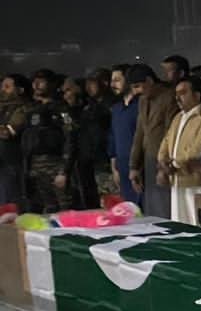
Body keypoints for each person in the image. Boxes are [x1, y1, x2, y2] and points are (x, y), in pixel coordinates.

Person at [156, 76, 201, 225]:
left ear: (197, 95)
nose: (178, 97)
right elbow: (166, 141)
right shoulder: (178, 116)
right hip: (177, 179)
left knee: (199, 224)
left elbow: (199, 148)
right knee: (179, 222)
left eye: (183, 93)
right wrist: (162, 162)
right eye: (176, 94)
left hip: (197, 180)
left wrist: (172, 164)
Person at [128, 64, 180, 217]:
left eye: (138, 86)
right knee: (152, 210)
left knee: (167, 209)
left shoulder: (170, 97)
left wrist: (164, 165)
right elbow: (139, 133)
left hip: (166, 161)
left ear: (150, 80)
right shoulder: (143, 101)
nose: (136, 92)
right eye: (133, 87)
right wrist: (134, 166)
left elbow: (172, 134)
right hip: (148, 161)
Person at [21, 70, 75, 214]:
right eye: (34, 81)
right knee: (47, 208)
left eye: (41, 81)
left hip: (55, 164)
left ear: (51, 84)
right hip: (35, 165)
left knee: (65, 207)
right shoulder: (32, 109)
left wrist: (64, 170)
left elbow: (70, 137)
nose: (36, 85)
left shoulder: (61, 108)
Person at [63, 77, 112, 208]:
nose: (66, 95)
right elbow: (72, 139)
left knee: (107, 202)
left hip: (101, 163)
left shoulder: (101, 108)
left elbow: (102, 136)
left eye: (69, 90)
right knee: (88, 201)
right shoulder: (74, 111)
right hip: (83, 163)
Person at [105, 66, 139, 204]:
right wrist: (114, 168)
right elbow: (113, 138)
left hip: (137, 168)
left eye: (118, 80)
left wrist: (137, 167)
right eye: (112, 81)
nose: (113, 84)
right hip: (122, 168)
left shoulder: (141, 105)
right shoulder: (116, 109)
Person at [0, 74, 32, 207]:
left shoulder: (24, 108)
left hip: (11, 162)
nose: (2, 90)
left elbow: (7, 133)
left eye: (7, 87)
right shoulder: (3, 107)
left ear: (20, 90)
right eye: (2, 86)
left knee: (10, 202)